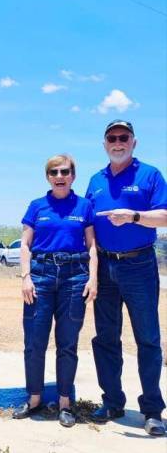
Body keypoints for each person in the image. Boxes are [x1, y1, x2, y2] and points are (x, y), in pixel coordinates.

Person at [86, 120, 167, 436]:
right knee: (106, 337)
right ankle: (112, 402)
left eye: (123, 137)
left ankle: (152, 410)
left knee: (147, 338)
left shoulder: (150, 175)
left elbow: (164, 215)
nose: (117, 142)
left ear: (134, 142)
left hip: (139, 265)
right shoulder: (95, 180)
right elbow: (87, 225)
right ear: (104, 144)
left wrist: (133, 216)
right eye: (112, 138)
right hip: (105, 266)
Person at [13, 154, 97, 427]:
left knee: (67, 343)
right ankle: (34, 399)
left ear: (73, 175)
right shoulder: (37, 206)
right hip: (41, 276)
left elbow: (92, 246)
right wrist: (26, 277)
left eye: (64, 171)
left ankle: (64, 403)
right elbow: (25, 244)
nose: (59, 176)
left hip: (75, 277)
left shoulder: (84, 206)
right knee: (34, 342)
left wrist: (93, 279)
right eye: (54, 172)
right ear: (48, 177)